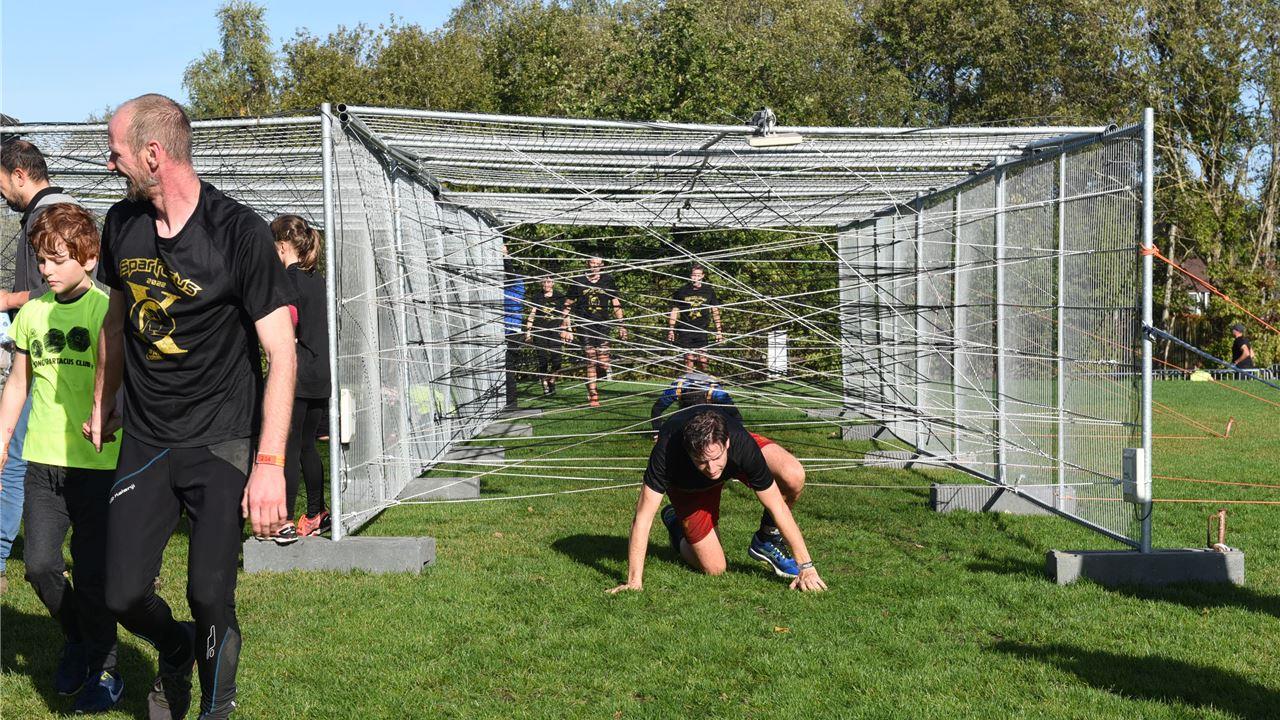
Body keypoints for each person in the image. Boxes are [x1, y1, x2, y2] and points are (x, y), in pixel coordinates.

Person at [89, 94, 296, 720]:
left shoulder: (239, 232)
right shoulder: (120, 224)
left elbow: (281, 354)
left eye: (116, 153)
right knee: (122, 595)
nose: (110, 164)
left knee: (209, 593)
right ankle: (175, 648)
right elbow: (116, 323)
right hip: (147, 436)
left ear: (153, 154)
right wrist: (104, 398)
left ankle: (216, 706)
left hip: (221, 438)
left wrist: (269, 464)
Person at [0, 204, 124, 712]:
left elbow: (126, 380)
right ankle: (76, 637)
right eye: (41, 259)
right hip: (42, 463)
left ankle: (106, 666)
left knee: (93, 576)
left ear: (88, 258)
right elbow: (18, 383)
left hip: (97, 465)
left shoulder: (108, 310)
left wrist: (112, 415)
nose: (46, 269)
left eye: (56, 259)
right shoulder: (33, 314)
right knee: (39, 566)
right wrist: (2, 442)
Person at [608, 409, 825, 593]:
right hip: (689, 488)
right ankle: (676, 524)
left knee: (792, 474)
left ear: (726, 443)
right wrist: (634, 581)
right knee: (715, 568)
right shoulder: (665, 454)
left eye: (715, 458)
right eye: (702, 461)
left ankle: (767, 539)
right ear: (689, 452)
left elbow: (777, 506)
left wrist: (806, 567)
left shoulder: (741, 444)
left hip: (734, 457)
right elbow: (643, 519)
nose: (712, 469)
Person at [0, 139, 77, 594]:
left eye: (1, 182)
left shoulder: (49, 216)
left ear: (19, 174)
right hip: (49, 356)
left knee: (15, 462)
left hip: (52, 359)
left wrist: (8, 300)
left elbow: (61, 287)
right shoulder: (50, 210)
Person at [271, 215, 331, 542]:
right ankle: (316, 513)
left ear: (282, 246)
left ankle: (284, 522)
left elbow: (287, 321)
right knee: (308, 446)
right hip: (321, 374)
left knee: (289, 450)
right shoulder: (317, 279)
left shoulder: (288, 281)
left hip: (297, 374)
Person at [563, 256, 626, 407]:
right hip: (585, 325)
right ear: (588, 264)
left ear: (602, 265)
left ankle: (598, 375)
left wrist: (622, 325)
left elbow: (615, 303)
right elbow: (567, 305)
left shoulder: (608, 280)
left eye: (598, 264)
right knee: (590, 358)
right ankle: (593, 394)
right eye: (592, 263)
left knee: (603, 363)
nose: (595, 266)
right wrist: (565, 328)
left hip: (603, 324)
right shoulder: (578, 280)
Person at [667, 264, 723, 372]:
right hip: (685, 329)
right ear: (690, 276)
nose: (696, 278)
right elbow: (674, 310)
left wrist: (719, 331)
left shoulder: (709, 291)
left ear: (702, 276)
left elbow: (715, 310)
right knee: (689, 359)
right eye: (694, 275)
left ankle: (702, 379)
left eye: (698, 275)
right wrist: (671, 330)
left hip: (702, 329)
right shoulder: (681, 291)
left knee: (703, 360)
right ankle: (689, 381)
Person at [524, 275, 565, 395]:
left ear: (553, 283)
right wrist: (528, 332)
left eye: (549, 282)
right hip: (540, 331)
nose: (546, 284)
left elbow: (565, 314)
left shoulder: (559, 296)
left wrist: (567, 330)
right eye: (544, 282)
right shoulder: (537, 297)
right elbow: (532, 314)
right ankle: (545, 384)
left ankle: (552, 380)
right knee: (542, 359)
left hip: (555, 331)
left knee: (557, 359)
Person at [502, 247, 526, 409]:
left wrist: (505, 256)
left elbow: (510, 272)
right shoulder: (506, 285)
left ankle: (511, 403)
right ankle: (508, 402)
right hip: (505, 330)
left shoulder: (516, 283)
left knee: (508, 366)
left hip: (512, 331)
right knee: (505, 367)